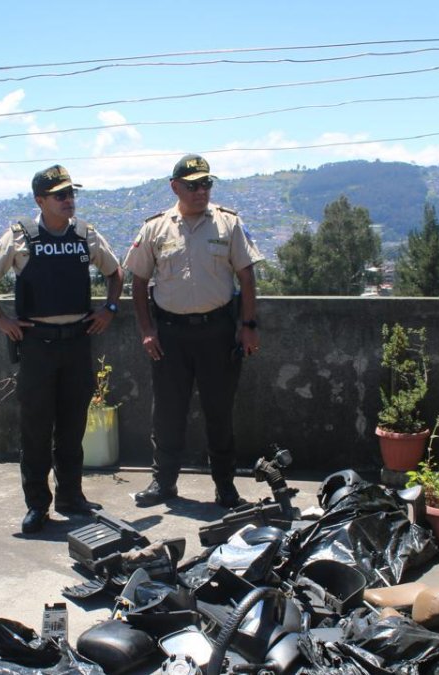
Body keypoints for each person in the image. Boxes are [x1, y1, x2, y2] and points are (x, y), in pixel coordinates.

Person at [0, 164, 124, 534]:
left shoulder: (85, 234)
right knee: (36, 430)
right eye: (60, 195)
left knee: (72, 427)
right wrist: (0, 319)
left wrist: (109, 308)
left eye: (71, 193)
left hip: (77, 342)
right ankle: (37, 505)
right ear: (40, 200)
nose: (69, 200)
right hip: (37, 346)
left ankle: (71, 496)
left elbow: (116, 272)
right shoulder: (20, 237)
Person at [122, 154, 265, 509]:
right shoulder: (155, 228)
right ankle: (164, 483)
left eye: (206, 184)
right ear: (175, 187)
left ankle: (225, 487)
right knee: (167, 413)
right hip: (170, 335)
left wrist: (248, 326)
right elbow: (138, 282)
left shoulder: (228, 223)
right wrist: (147, 329)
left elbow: (246, 277)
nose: (201, 191)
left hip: (218, 332)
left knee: (219, 412)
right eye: (193, 185)